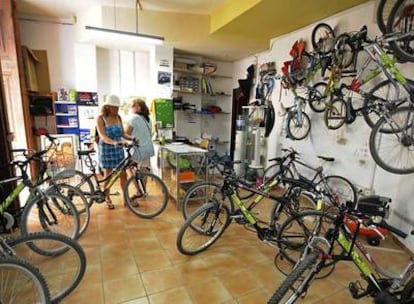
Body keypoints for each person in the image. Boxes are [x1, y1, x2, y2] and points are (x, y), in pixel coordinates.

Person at [96, 94, 133, 209]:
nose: (116, 110)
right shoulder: (100, 118)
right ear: (107, 107)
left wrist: (132, 139)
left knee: (123, 175)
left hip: (119, 150)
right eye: (114, 107)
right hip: (107, 150)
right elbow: (102, 136)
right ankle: (107, 197)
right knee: (109, 175)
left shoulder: (119, 117)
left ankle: (126, 199)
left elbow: (122, 133)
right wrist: (115, 143)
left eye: (118, 107)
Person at [125, 98, 155, 201]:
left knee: (128, 168)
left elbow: (126, 134)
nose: (131, 107)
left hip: (138, 149)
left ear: (138, 106)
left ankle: (138, 191)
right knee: (144, 170)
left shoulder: (133, 119)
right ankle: (144, 191)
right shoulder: (148, 119)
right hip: (147, 149)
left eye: (132, 105)